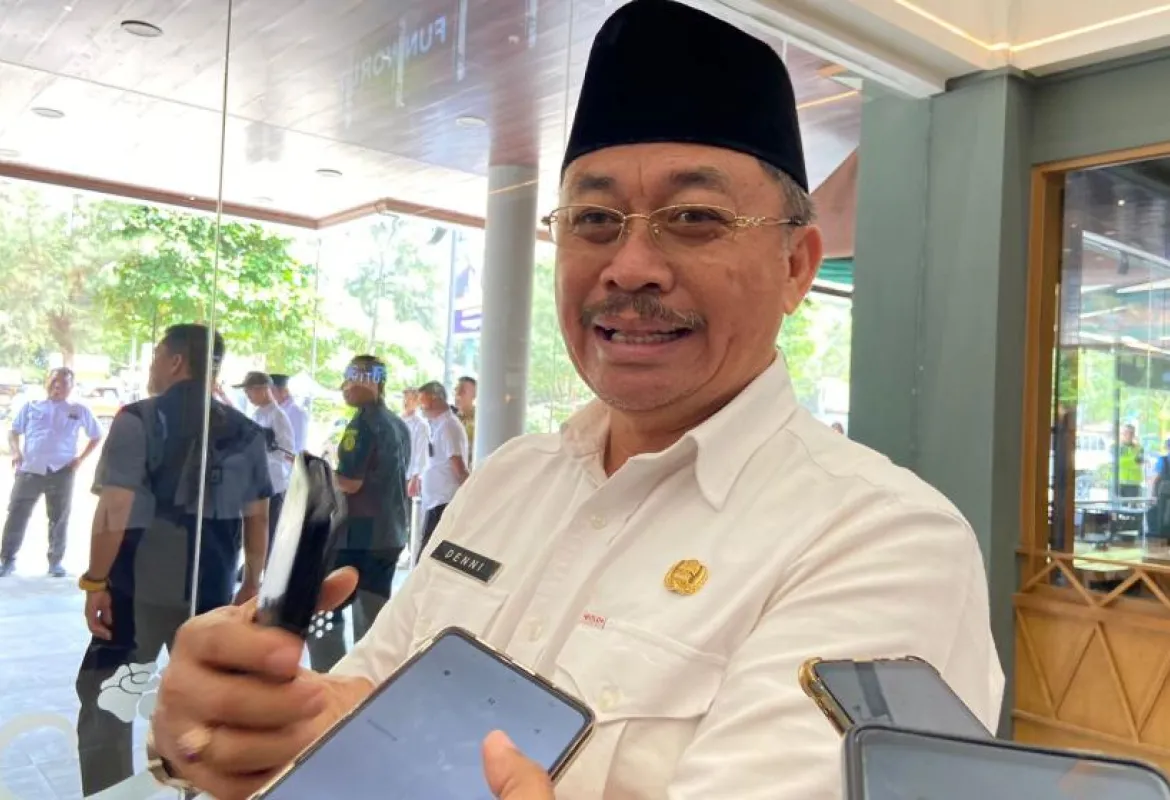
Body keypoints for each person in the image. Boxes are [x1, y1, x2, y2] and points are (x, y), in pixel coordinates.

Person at [148, 3, 1002, 799]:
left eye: (694, 218)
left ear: (796, 265)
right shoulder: (509, 480)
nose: (630, 268)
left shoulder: (882, 542)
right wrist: (245, 726)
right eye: (594, 221)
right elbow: (357, 707)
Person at [75, 324, 273, 796]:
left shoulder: (138, 419)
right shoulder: (245, 430)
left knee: (107, 700)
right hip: (210, 590)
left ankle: (110, 794)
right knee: (204, 706)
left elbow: (115, 508)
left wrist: (95, 581)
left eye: (156, 355)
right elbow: (259, 515)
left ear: (176, 361)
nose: (152, 366)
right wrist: (251, 580)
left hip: (136, 591)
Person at [306, 355, 411, 672]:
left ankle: (329, 676)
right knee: (373, 617)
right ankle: (366, 681)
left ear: (369, 380)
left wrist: (319, 473)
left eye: (350, 378)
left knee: (324, 606)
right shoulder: (399, 425)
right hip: (390, 533)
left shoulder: (362, 424)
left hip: (358, 536)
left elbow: (351, 483)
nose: (344, 386)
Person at [0, 367, 102, 577]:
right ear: (47, 381)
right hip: (30, 470)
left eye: (64, 382)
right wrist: (16, 453)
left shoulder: (78, 410)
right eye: (54, 381)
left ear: (71, 386)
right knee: (17, 514)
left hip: (61, 471)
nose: (57, 386)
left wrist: (80, 459)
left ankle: (55, 562)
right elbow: (14, 431)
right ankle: (7, 559)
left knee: (58, 517)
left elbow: (96, 434)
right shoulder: (32, 406)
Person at [237, 371, 294, 548]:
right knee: (255, 532)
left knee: (270, 533)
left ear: (264, 389)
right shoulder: (256, 415)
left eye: (250, 390)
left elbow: (287, 451)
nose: (247, 394)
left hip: (274, 484)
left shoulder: (278, 416)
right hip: (257, 483)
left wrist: (265, 452)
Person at [415, 380, 469, 556]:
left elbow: (458, 467)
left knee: (429, 555)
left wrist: (470, 495)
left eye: (423, 401)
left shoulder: (448, 426)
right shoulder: (438, 425)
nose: (420, 406)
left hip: (443, 501)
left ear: (435, 399)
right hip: (435, 502)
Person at [270, 373, 310, 454]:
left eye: (270, 391)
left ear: (283, 391)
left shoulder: (298, 414)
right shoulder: (269, 410)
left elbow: (299, 446)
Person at [1118, 423, 1144, 498]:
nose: (1128, 435)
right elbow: (1117, 463)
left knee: (1132, 504)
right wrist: (1133, 460)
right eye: (1126, 432)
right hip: (1118, 482)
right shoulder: (1116, 447)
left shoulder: (1139, 448)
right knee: (1118, 505)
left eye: (1131, 433)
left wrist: (1125, 461)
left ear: (1134, 434)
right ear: (1122, 433)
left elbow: (1139, 463)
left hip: (1133, 484)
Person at [455, 375, 477, 462]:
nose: (457, 395)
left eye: (462, 391)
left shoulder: (480, 421)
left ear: (474, 395)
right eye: (456, 390)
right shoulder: (451, 419)